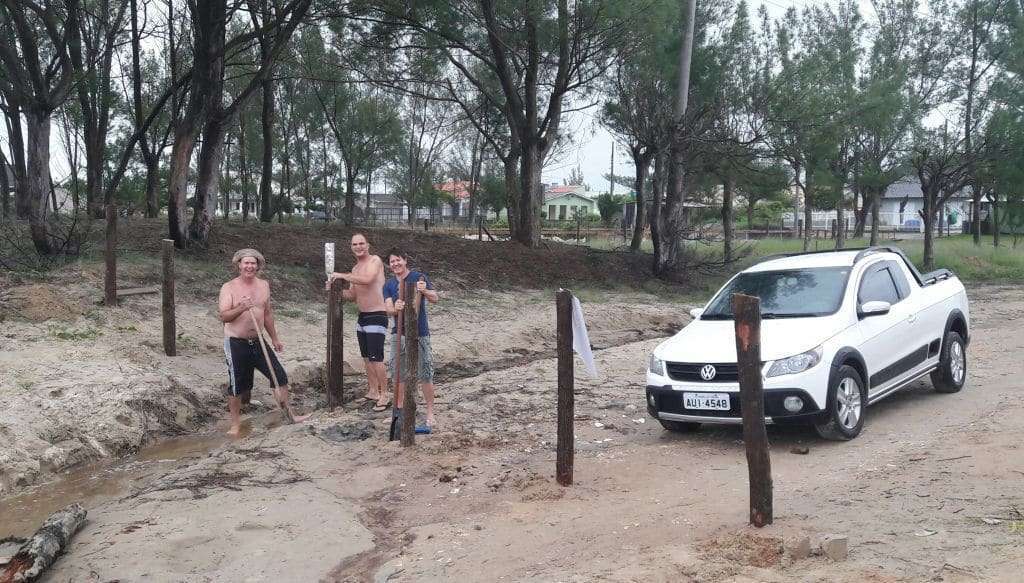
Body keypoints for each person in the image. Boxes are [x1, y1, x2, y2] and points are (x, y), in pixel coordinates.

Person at [219, 248, 309, 436]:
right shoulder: (229, 287)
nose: (250, 266)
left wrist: (274, 338)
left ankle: (289, 415)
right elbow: (224, 316)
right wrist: (241, 307)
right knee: (236, 386)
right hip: (236, 342)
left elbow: (267, 314)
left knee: (280, 377)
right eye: (246, 263)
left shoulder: (264, 285)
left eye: (253, 263)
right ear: (239, 265)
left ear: (258, 266)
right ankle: (235, 424)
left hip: (258, 342)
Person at [327, 233, 390, 411]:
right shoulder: (355, 269)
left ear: (368, 245)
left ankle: (385, 393)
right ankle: (372, 390)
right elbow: (352, 295)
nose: (358, 247)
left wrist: (342, 276)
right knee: (366, 358)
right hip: (362, 316)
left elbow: (369, 279)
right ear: (351, 247)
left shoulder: (374, 261)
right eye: (355, 244)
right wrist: (334, 289)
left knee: (376, 358)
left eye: (361, 243)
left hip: (377, 314)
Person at [383, 247, 439, 427]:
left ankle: (430, 412)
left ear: (405, 260)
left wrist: (424, 291)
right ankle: (399, 412)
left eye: (398, 260)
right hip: (398, 335)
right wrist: (396, 308)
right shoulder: (389, 285)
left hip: (420, 333)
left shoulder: (418, 278)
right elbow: (388, 309)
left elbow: (435, 298)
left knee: (425, 373)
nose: (395, 264)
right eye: (392, 262)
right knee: (398, 374)